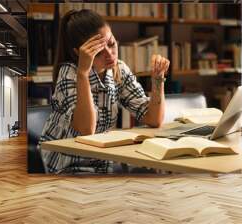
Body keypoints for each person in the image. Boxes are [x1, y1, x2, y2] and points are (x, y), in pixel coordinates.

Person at [39, 9, 170, 174]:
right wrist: (83, 74)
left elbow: (154, 119)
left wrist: (158, 79)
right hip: (67, 164)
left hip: (102, 162)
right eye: (98, 52)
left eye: (111, 43)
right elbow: (86, 130)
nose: (110, 54)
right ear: (79, 53)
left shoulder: (118, 69)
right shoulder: (69, 73)